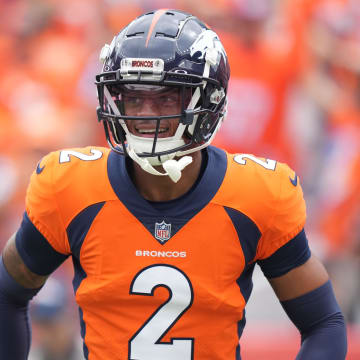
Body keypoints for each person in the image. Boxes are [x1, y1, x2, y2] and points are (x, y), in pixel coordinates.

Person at [0, 9, 347, 360]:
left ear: (207, 101)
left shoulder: (257, 195)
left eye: (166, 98)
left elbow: (324, 323)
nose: (147, 114)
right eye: (134, 98)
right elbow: (8, 293)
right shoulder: (70, 186)